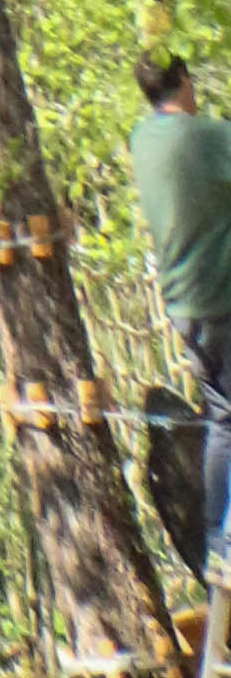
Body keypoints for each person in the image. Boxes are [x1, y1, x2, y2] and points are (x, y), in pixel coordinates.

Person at [135, 49, 231, 580]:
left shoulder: (143, 140)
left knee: (223, 418)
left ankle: (219, 543)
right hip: (220, 301)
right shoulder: (206, 138)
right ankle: (223, 541)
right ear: (185, 82)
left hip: (184, 308)